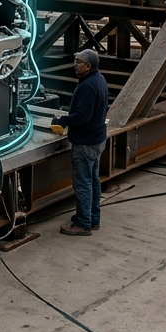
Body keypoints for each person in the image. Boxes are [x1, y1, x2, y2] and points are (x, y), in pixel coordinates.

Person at [53, 49, 109, 236]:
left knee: (83, 183)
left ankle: (83, 224)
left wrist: (62, 120)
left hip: (85, 142)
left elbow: (82, 116)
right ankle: (93, 218)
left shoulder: (87, 86)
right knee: (93, 180)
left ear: (88, 66)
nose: (75, 64)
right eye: (74, 60)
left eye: (79, 62)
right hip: (97, 138)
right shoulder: (99, 79)